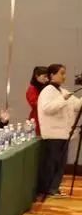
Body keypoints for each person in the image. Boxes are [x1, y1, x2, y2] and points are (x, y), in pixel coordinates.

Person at [37, 63, 82, 199]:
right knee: (52, 163)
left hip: (64, 134)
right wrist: (63, 99)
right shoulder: (47, 91)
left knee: (60, 164)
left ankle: (54, 187)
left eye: (64, 73)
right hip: (53, 134)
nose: (64, 76)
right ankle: (48, 188)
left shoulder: (62, 91)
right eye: (61, 73)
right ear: (52, 75)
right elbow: (47, 109)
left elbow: (77, 105)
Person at [27, 66, 49, 136]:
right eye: (45, 76)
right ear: (36, 76)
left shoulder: (44, 87)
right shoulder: (32, 89)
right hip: (37, 118)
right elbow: (35, 104)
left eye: (48, 77)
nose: (47, 79)